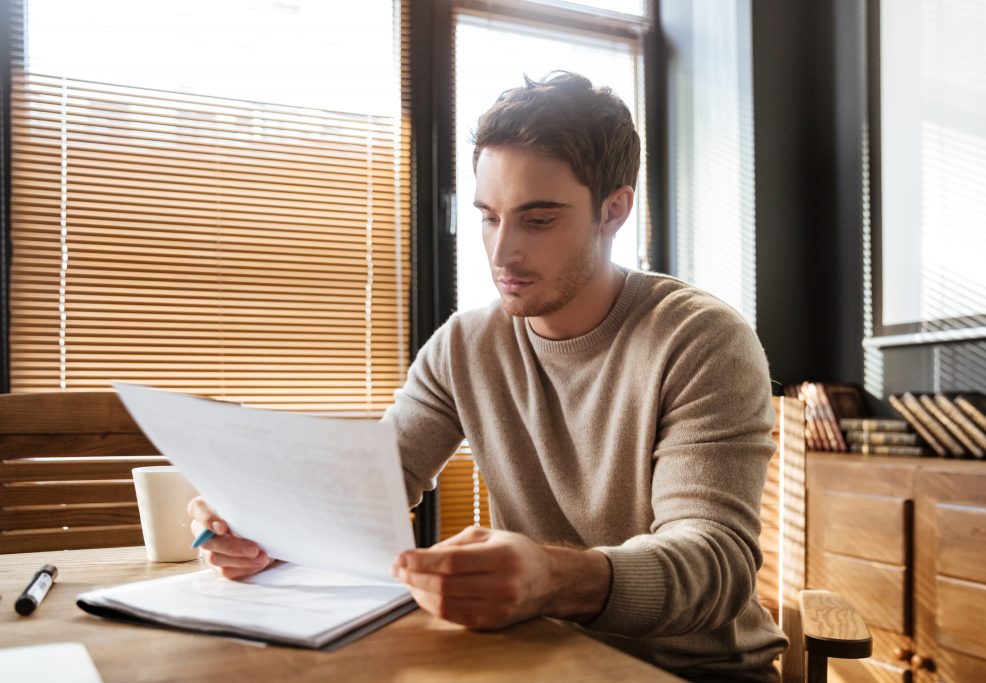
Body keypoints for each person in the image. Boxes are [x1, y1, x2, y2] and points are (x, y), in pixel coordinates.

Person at [189, 71, 788, 681]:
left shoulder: (701, 340)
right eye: (488, 217)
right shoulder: (464, 344)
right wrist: (259, 524)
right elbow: (372, 483)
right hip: (532, 659)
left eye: (538, 220)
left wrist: (554, 578)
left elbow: (715, 561)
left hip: (693, 671)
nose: (502, 255)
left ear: (614, 210)